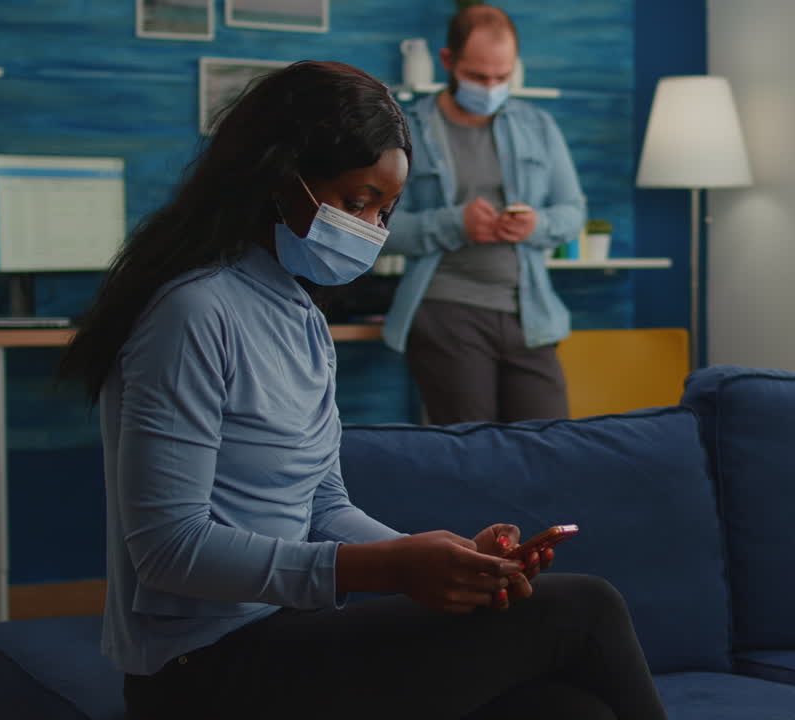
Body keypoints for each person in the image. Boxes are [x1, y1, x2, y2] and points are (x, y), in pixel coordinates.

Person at [57, 60, 665, 720]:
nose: (372, 229)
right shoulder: (193, 312)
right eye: (355, 203)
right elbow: (169, 549)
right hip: (201, 667)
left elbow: (321, 500)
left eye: (386, 211)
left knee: (568, 711)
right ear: (276, 177)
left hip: (286, 633)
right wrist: (388, 570)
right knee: (587, 608)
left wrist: (448, 561)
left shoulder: (302, 317)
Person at [381, 4, 583, 425]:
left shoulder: (539, 125)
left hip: (531, 317)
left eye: (502, 77)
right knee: (471, 455)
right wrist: (454, 224)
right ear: (448, 61)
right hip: (445, 313)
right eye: (477, 77)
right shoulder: (405, 130)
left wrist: (536, 225)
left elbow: (572, 212)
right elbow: (379, 228)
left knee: (550, 446)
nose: (490, 88)